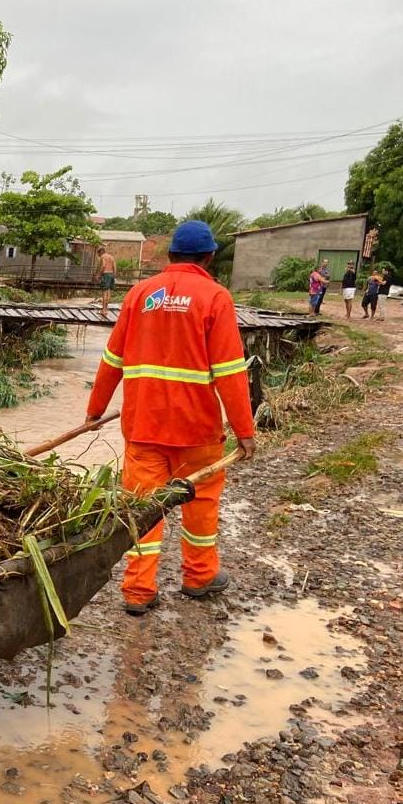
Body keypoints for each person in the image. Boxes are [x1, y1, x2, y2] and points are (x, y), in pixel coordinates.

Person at [85, 220, 256, 617]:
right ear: (209, 257)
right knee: (201, 504)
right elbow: (230, 372)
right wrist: (244, 430)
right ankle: (199, 577)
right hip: (197, 432)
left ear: (170, 255)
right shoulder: (215, 297)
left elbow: (112, 359)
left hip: (143, 427)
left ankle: (138, 591)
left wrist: (95, 409)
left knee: (142, 510)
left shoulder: (139, 294)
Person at [95, 245, 116, 319]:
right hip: (111, 274)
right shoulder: (112, 257)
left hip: (105, 275)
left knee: (104, 292)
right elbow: (114, 267)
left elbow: (103, 266)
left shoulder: (103, 257)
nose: (98, 255)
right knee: (108, 292)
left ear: (101, 252)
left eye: (98, 254)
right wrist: (113, 276)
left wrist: (98, 275)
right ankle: (106, 309)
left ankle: (103, 310)